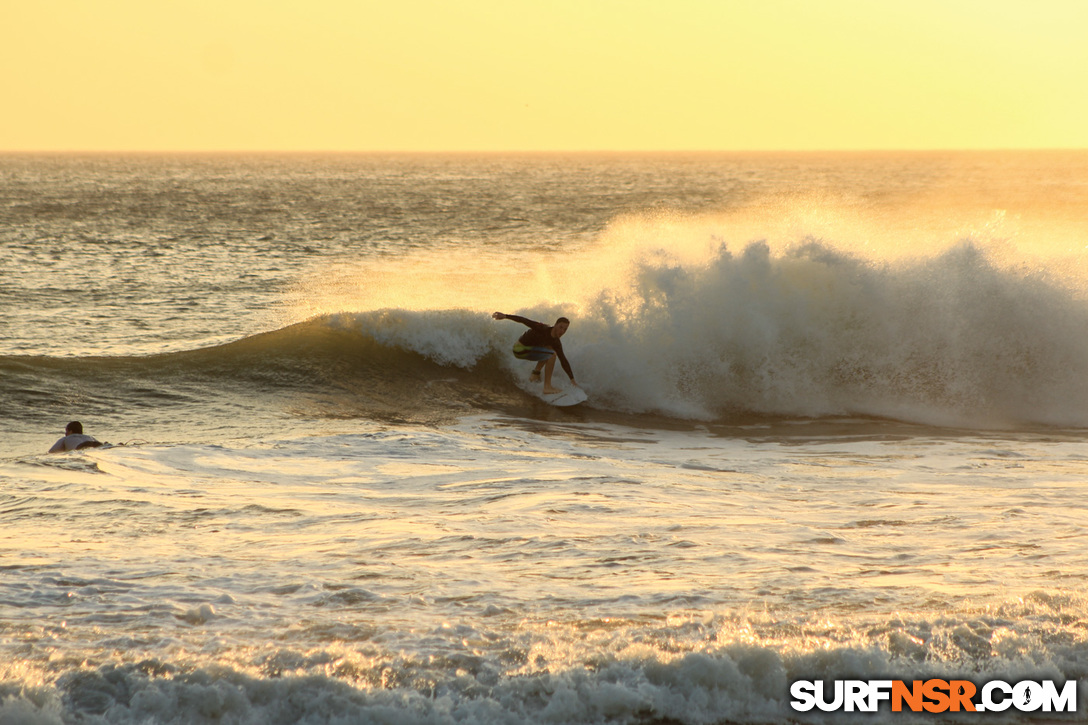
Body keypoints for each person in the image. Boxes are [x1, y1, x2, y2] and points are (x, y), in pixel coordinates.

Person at [492, 311, 577, 394]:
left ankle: (535, 374)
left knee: (550, 349)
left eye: (565, 329)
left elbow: (563, 360)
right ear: (555, 325)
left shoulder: (556, 342)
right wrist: (505, 316)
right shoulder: (542, 328)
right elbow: (524, 320)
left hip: (529, 350)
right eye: (560, 327)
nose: (562, 331)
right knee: (551, 355)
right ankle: (547, 387)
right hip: (520, 349)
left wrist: (572, 380)